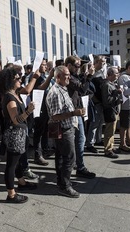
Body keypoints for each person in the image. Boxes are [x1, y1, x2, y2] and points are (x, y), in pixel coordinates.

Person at [0, 67, 39, 203]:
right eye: (17, 78)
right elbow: (16, 120)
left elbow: (27, 89)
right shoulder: (9, 98)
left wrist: (35, 78)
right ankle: (11, 194)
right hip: (14, 135)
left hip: (20, 134)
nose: (20, 79)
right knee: (11, 165)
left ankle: (22, 182)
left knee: (19, 160)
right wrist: (28, 111)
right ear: (9, 81)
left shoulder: (15, 93)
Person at [46, 66, 85, 198]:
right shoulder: (56, 92)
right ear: (58, 77)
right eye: (66, 75)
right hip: (63, 130)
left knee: (62, 157)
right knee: (69, 157)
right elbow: (55, 116)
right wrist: (74, 113)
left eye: (69, 75)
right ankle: (65, 186)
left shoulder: (62, 89)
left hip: (67, 128)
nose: (69, 77)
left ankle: (63, 181)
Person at [65, 56, 96, 179]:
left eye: (79, 66)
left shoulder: (74, 76)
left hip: (77, 111)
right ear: (69, 65)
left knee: (79, 139)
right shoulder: (68, 77)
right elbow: (82, 89)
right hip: (71, 113)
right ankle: (79, 166)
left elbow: (83, 86)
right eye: (77, 66)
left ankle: (77, 165)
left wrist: (85, 74)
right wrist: (89, 76)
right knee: (78, 140)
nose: (79, 68)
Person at [101, 67, 122, 158]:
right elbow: (107, 101)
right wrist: (117, 93)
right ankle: (108, 150)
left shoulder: (112, 84)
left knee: (112, 131)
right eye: (116, 73)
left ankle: (111, 146)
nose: (118, 75)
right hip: (110, 110)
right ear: (111, 74)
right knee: (109, 131)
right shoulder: (106, 85)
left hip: (115, 110)